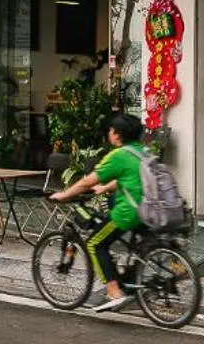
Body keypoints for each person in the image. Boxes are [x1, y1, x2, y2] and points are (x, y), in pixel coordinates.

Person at [50, 111, 150, 313]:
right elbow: (130, 179)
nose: (109, 133)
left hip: (128, 212)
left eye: (111, 130)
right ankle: (127, 278)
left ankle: (114, 292)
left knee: (95, 243)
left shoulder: (118, 155)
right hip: (150, 209)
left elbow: (88, 181)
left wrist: (64, 194)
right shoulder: (142, 151)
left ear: (117, 134)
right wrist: (105, 188)